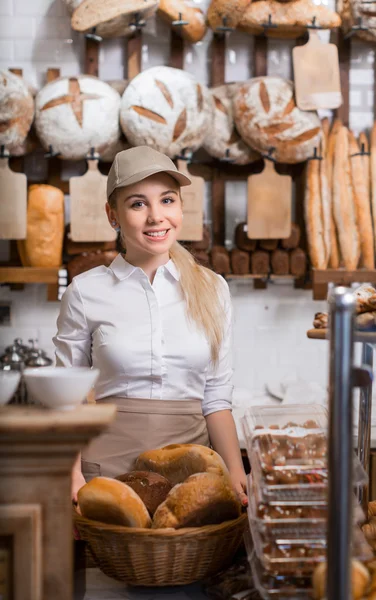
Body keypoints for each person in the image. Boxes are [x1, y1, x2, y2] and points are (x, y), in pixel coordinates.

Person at [54, 146, 247, 507]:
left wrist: (235, 471)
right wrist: (72, 476)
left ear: (181, 207)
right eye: (138, 204)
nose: (157, 217)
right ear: (113, 215)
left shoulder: (213, 288)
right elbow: (69, 399)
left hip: (193, 478)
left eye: (168, 201)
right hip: (107, 472)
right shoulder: (85, 291)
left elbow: (216, 398)